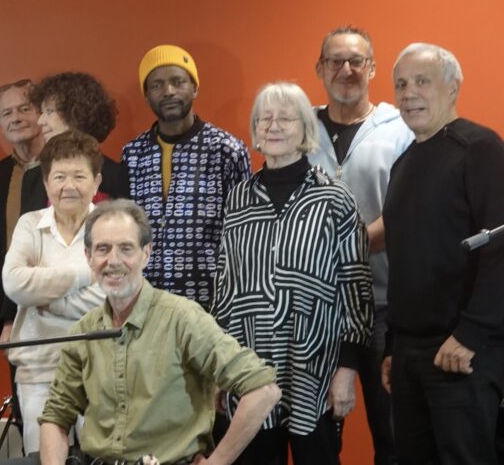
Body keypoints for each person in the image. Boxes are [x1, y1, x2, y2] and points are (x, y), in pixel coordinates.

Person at [30, 199, 280, 464]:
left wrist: (217, 462)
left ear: (146, 253)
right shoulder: (83, 332)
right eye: (103, 249)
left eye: (126, 248)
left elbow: (264, 391)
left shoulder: (182, 318)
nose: (113, 260)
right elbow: (55, 417)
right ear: (88, 257)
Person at [211, 82, 373, 464]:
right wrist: (218, 370)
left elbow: (357, 290)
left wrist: (346, 371)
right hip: (247, 370)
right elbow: (224, 287)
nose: (273, 126)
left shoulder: (334, 198)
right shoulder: (238, 199)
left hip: (313, 370)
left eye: (286, 118)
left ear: (305, 129)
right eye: (264, 118)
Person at [381, 43, 504, 464]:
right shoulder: (403, 164)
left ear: (453, 88)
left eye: (422, 81)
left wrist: (470, 334)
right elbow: (405, 261)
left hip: (461, 350)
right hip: (409, 354)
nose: (408, 93)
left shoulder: (480, 148)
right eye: (401, 84)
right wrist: (393, 345)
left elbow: (500, 249)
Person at [307, 26, 413, 465]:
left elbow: (408, 211)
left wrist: (346, 250)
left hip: (384, 307)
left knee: (394, 435)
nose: (346, 70)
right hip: (317, 311)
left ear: (371, 68)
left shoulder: (400, 129)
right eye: (336, 61)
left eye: (356, 61)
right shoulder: (300, 129)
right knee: (316, 439)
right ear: (320, 69)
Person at [122, 44, 251, 306]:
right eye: (156, 85)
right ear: (146, 96)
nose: (168, 91)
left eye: (178, 82)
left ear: (194, 88)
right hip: (145, 301)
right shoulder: (133, 154)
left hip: (210, 302)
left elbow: (245, 233)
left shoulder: (226, 150)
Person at [2, 131, 106, 455]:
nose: (68, 186)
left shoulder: (110, 227)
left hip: (99, 365)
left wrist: (48, 301)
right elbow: (15, 284)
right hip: (37, 367)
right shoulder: (29, 225)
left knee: (99, 457)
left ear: (96, 182)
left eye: (79, 176)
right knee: (42, 457)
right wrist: (84, 275)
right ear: (46, 183)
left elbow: (112, 296)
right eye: (59, 177)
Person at [0, 78, 45, 436]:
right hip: (16, 312)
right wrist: (7, 318)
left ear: (42, 112)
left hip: (64, 309)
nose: (16, 118)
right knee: (28, 414)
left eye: (24, 108)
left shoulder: (63, 167)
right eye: (7, 113)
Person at [20, 72, 130, 214]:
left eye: (49, 111)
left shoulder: (115, 175)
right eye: (41, 112)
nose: (41, 121)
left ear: (77, 113)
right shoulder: (32, 178)